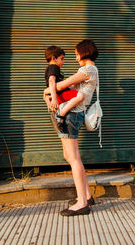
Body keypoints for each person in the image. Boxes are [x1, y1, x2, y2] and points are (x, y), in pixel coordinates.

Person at [45, 39, 99, 216]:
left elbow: (61, 85)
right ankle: (87, 196)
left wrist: (47, 91)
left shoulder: (87, 69)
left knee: (74, 157)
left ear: (84, 52)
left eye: (76, 54)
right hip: (72, 113)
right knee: (69, 155)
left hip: (72, 114)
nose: (75, 58)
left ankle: (82, 203)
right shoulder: (86, 70)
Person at [44, 45, 85, 131]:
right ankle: (60, 115)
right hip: (60, 95)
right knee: (81, 96)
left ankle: (60, 120)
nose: (63, 61)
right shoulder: (54, 67)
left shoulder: (50, 68)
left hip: (58, 95)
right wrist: (54, 99)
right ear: (54, 58)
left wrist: (48, 98)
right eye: (62, 59)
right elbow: (51, 81)